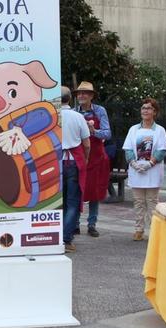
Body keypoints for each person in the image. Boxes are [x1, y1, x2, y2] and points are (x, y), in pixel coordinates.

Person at [123, 98, 166, 241]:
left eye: (149, 108)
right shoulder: (133, 129)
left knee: (152, 202)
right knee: (138, 202)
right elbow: (128, 148)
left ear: (155, 112)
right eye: (143, 108)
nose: (145, 110)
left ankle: (154, 230)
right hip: (136, 171)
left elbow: (162, 150)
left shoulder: (160, 130)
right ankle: (138, 229)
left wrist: (150, 163)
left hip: (152, 172)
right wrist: (133, 163)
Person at [74, 81, 111, 237]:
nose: (81, 96)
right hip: (79, 156)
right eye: (79, 93)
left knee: (94, 192)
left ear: (91, 96)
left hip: (96, 157)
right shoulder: (74, 112)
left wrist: (93, 131)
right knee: (77, 192)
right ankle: (75, 224)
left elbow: (107, 133)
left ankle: (91, 224)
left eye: (85, 93)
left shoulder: (100, 111)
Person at [59, 86, 90, 253]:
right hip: (73, 162)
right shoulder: (78, 117)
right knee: (72, 201)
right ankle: (66, 239)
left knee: (58, 201)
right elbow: (86, 144)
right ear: (70, 99)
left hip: (55, 163)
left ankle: (56, 235)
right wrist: (85, 159)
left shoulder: (51, 115)